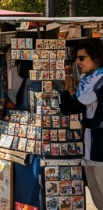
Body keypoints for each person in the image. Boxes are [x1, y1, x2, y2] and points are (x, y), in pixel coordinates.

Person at [60, 38, 103, 209]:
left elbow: (71, 107)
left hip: (100, 146)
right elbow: (71, 107)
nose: (78, 62)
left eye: (82, 58)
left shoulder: (99, 81)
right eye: (77, 58)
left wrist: (67, 93)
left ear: (96, 58)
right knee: (95, 191)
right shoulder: (88, 81)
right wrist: (67, 91)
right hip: (90, 145)